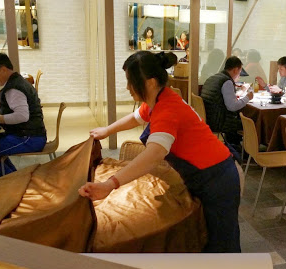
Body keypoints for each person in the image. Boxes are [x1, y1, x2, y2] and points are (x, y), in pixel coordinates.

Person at [80, 51, 241, 253]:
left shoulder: (167, 109)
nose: (128, 87)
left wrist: (110, 184)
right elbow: (136, 117)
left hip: (218, 178)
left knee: (223, 245)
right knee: (202, 234)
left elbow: (154, 154)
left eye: (131, 81)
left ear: (150, 82)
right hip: (204, 174)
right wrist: (107, 130)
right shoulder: (159, 99)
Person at [201, 56, 253, 146]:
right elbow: (232, 106)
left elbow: (224, 97)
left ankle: (236, 147)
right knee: (251, 122)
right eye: (239, 71)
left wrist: (241, 91)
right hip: (219, 121)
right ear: (236, 70)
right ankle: (246, 150)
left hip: (209, 117)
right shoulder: (227, 82)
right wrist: (247, 98)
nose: (239, 75)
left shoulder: (214, 77)